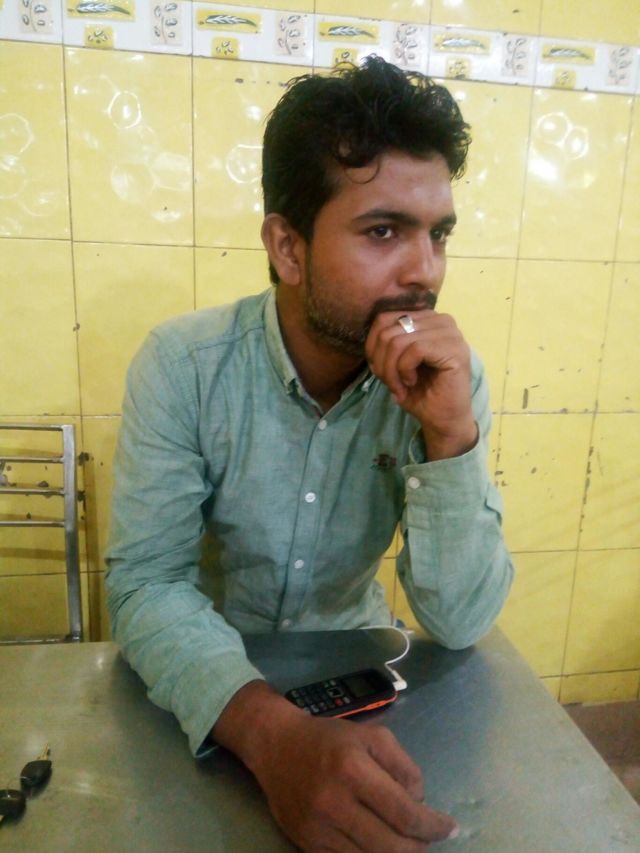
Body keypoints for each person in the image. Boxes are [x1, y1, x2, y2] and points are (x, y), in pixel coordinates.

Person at [106, 56, 514, 851]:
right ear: (287, 248)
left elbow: (461, 621)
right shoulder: (185, 366)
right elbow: (147, 583)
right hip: (204, 678)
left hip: (361, 676)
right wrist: (272, 733)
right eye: (383, 231)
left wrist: (449, 440)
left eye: (437, 234)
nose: (425, 270)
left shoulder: (448, 382)